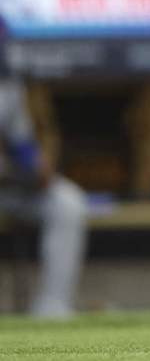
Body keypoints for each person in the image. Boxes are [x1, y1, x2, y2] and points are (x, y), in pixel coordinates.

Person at [0, 77, 87, 318]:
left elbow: (21, 146)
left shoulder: (7, 86)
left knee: (66, 202)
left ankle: (53, 307)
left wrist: (36, 167)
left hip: (9, 186)